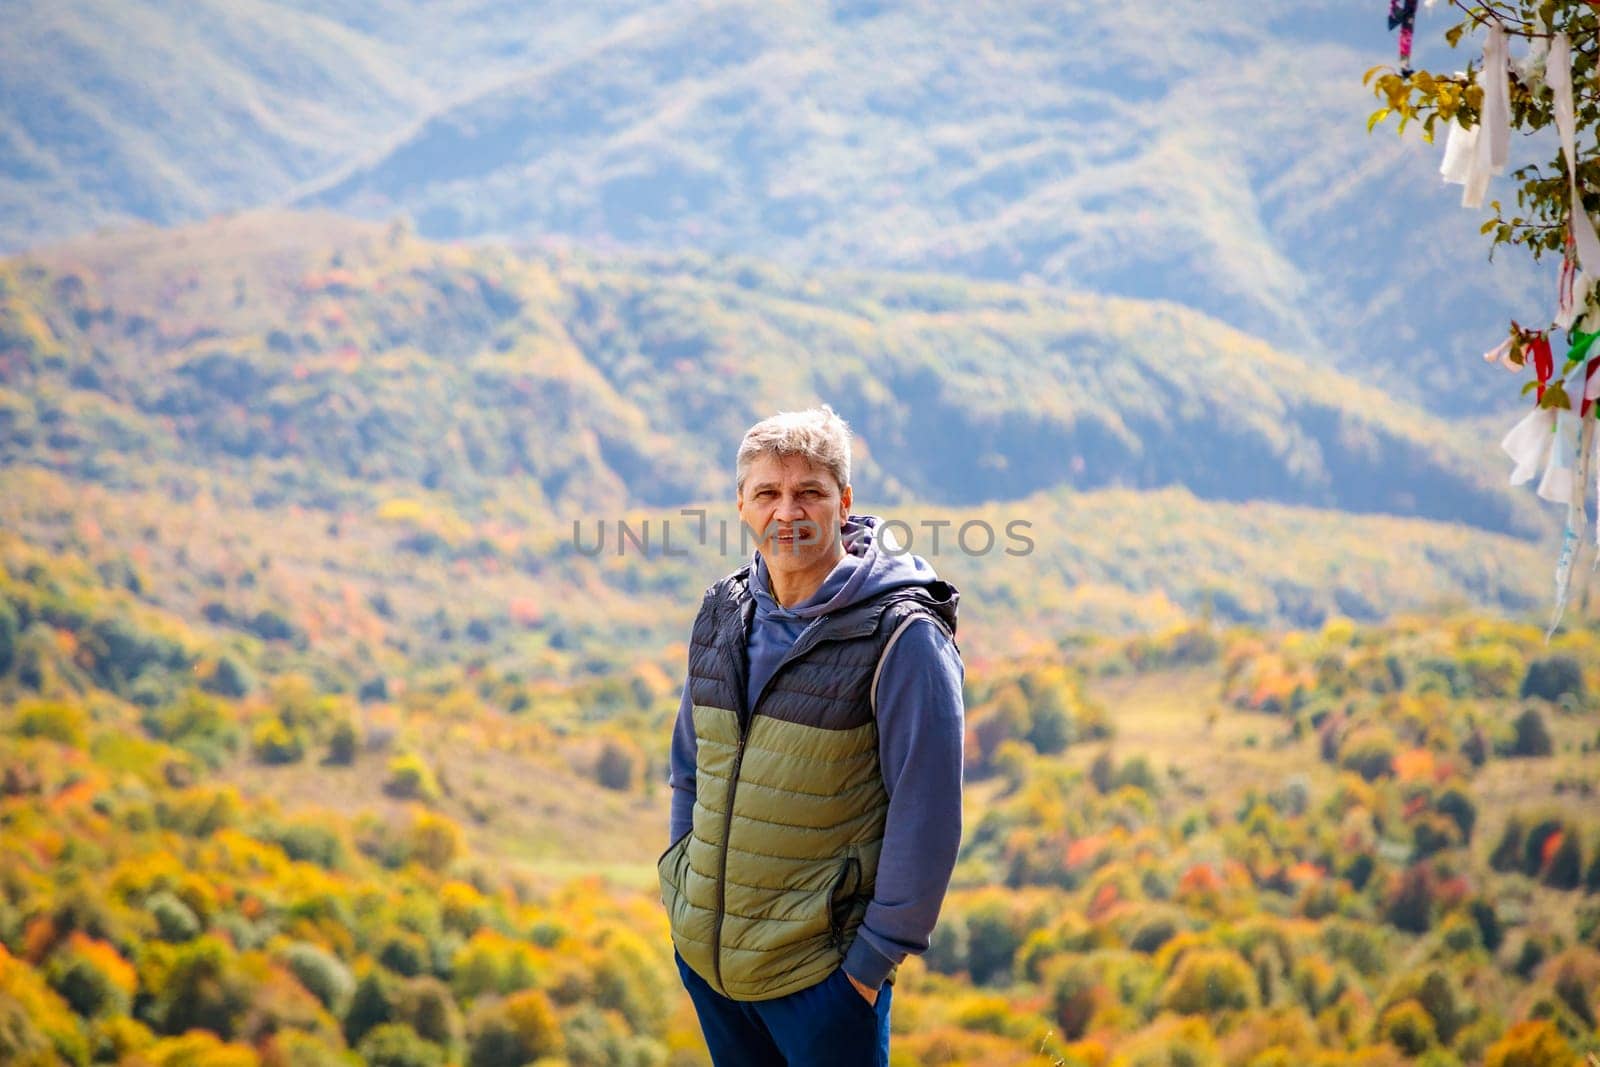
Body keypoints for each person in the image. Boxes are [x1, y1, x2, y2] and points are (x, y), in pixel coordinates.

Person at [659, 404, 966, 1066]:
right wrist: (682, 890)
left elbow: (930, 813)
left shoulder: (902, 634)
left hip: (823, 985)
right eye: (768, 492)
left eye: (809, 493)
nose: (787, 512)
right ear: (741, 503)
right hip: (715, 971)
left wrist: (868, 966)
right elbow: (690, 767)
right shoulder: (721, 613)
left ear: (844, 502)